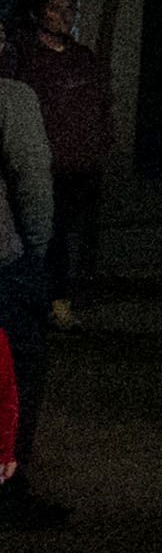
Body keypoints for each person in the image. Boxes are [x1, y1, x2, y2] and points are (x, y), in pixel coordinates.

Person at [3, 0, 111, 325]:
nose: (65, 16)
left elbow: (101, 104)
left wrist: (102, 141)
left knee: (63, 231)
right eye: (56, 8)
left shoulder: (82, 58)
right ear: (37, 12)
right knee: (44, 229)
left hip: (78, 164)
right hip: (39, 162)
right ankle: (47, 299)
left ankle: (56, 296)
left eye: (70, 9)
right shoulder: (22, 55)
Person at [0, 42, 56, 524]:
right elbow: (32, 180)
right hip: (3, 265)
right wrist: (35, 251)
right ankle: (7, 485)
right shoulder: (11, 98)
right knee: (14, 376)